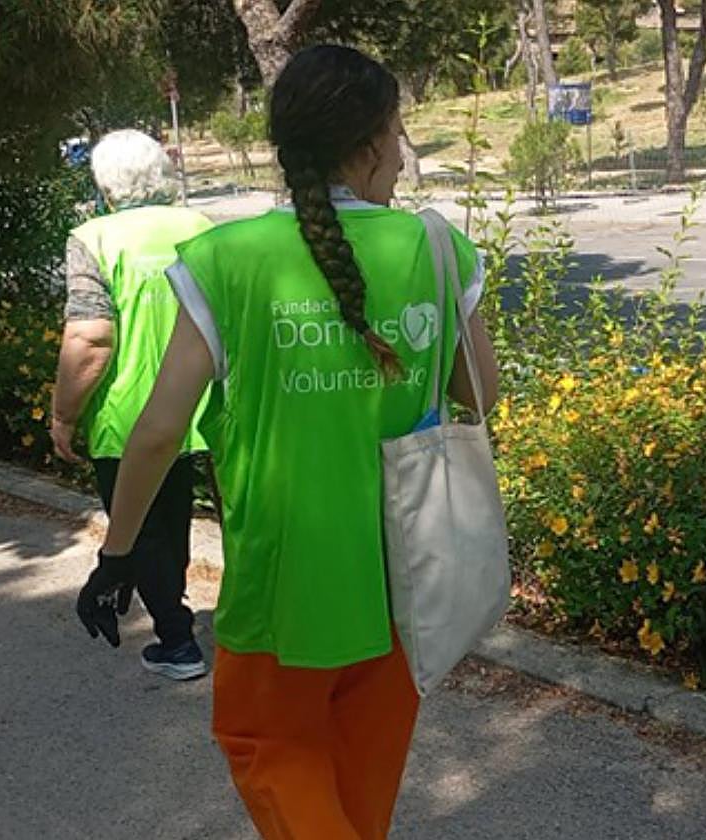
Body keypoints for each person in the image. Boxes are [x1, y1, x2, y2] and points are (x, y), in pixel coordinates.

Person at [83, 44, 499, 838]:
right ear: (368, 143)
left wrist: (118, 554)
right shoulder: (438, 249)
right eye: (398, 132)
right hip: (406, 574)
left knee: (270, 749)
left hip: (281, 581)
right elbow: (482, 389)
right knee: (360, 781)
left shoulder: (223, 260)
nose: (402, 155)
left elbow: (160, 429)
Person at [53, 129, 213, 680]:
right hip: (200, 404)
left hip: (128, 412)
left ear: (104, 184)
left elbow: (91, 338)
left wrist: (63, 414)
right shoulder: (200, 228)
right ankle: (176, 611)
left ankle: (178, 641)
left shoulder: (93, 238)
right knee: (175, 517)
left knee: (139, 524)